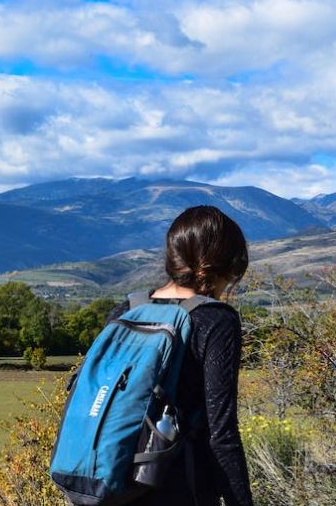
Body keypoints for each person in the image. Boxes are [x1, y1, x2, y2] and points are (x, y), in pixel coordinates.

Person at [106, 205, 254, 506]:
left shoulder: (127, 310)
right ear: (225, 266)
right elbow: (221, 434)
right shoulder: (215, 320)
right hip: (179, 488)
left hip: (110, 484)